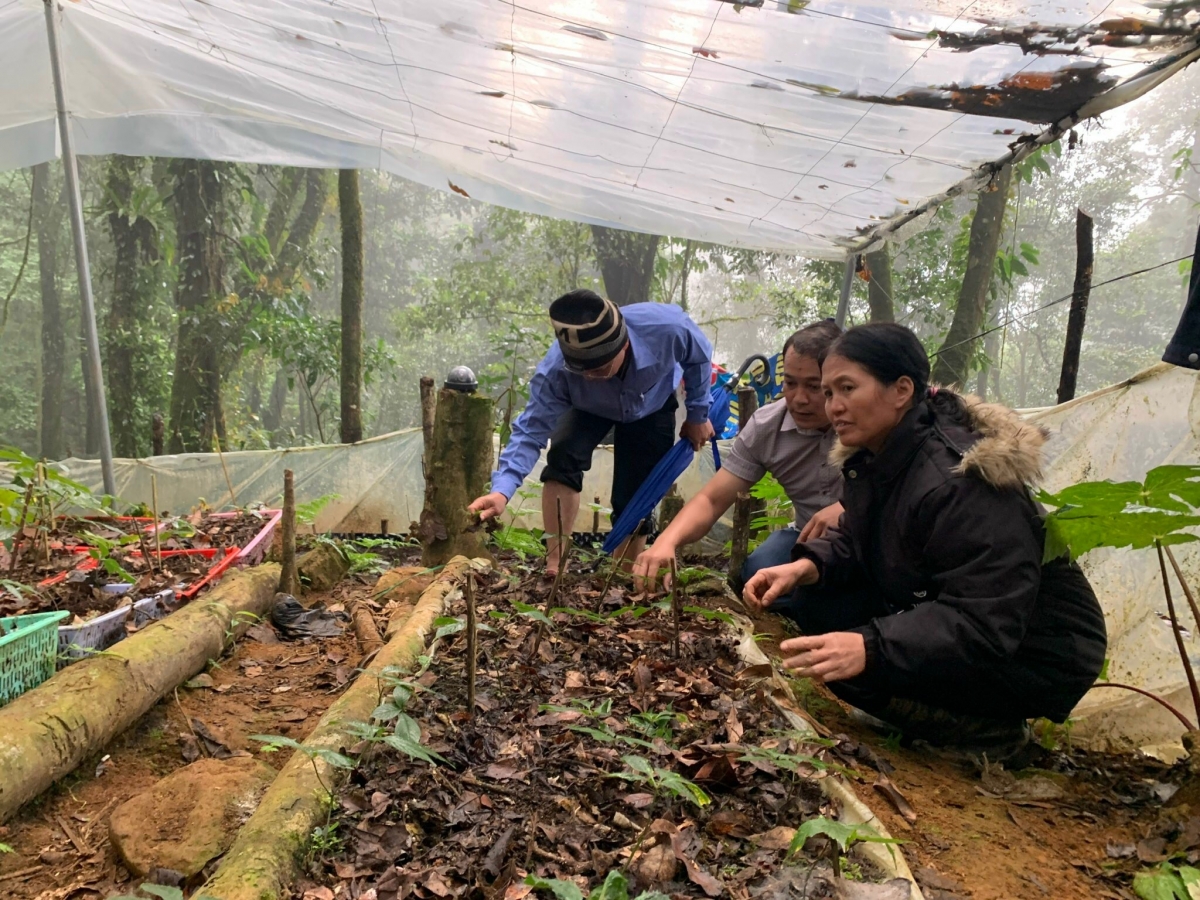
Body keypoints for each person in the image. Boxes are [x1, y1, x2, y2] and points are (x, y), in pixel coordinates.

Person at [744, 323, 1107, 753]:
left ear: (901, 390)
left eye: (846, 388)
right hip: (961, 616)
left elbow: (984, 620)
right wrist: (807, 565)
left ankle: (992, 731)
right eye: (829, 393)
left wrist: (871, 646)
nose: (833, 407)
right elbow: (864, 537)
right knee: (818, 604)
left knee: (853, 667)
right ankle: (929, 705)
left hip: (1037, 652)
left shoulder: (960, 480)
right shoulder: (881, 454)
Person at [469, 289, 715, 574]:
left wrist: (698, 414)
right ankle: (555, 564)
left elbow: (699, 357)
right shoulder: (557, 372)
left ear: (622, 346)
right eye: (581, 370)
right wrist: (502, 490)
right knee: (563, 456)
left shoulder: (668, 327)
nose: (589, 376)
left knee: (637, 491)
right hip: (586, 408)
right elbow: (530, 431)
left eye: (597, 370)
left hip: (652, 404)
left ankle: (622, 575)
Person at [631, 320, 845, 591]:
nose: (799, 399)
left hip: (872, 533)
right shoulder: (768, 427)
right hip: (806, 536)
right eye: (790, 383)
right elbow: (711, 499)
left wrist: (849, 510)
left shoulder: (872, 422)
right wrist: (666, 542)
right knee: (760, 575)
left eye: (814, 387)